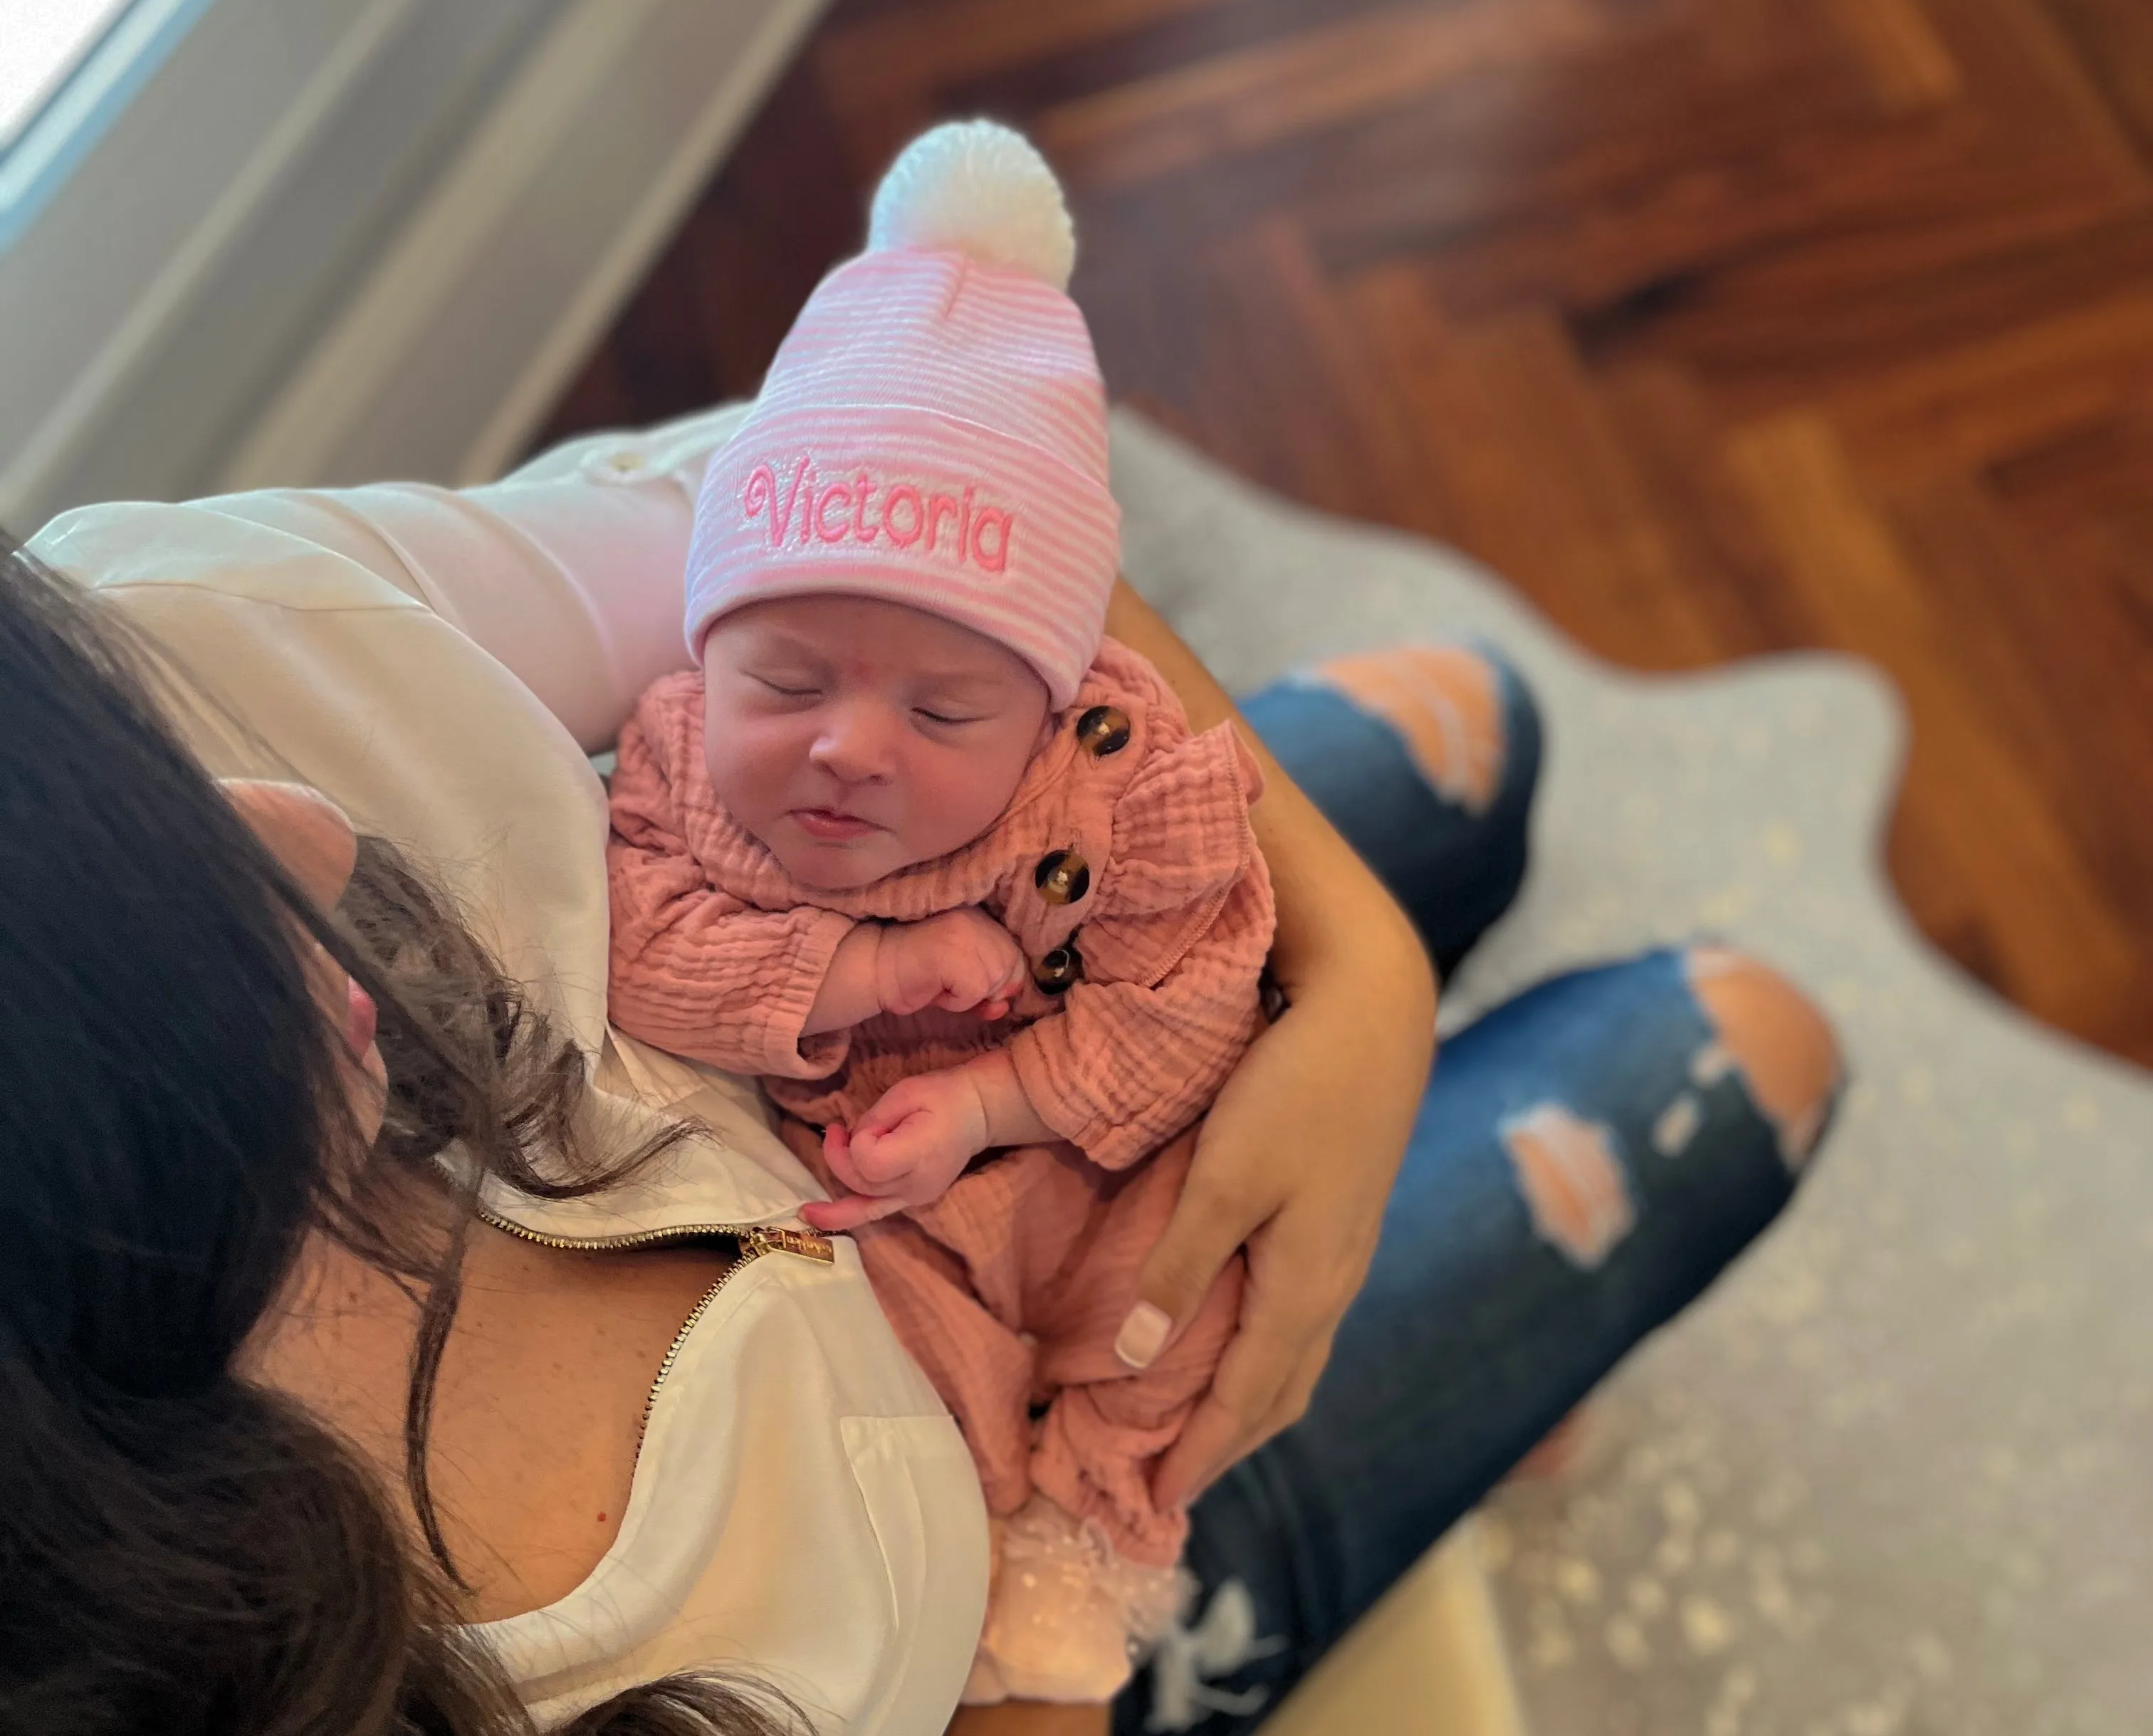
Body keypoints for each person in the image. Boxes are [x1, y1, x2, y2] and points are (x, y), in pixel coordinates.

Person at [4, 392, 1839, 1732]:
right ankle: (1478, 1396)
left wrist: (1354, 991)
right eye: (164, 964)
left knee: (1455, 728)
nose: (309, 838)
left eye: (122, 796)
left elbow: (898, 480)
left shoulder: (186, 640)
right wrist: (1055, 1606)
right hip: (1041, 1569)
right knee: (1748, 1049)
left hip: (996, 1150)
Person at [604, 123, 1279, 1705]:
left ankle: (1098, 1511)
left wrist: (995, 1095)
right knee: (891, 1345)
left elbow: (1197, 989)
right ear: (713, 655)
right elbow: (647, 950)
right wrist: (872, 964)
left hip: (1076, 1143)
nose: (848, 746)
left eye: (945, 709)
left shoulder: (1112, 779)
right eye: (786, 678)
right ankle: (991, 1544)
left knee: (1185, 1286)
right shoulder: (681, 760)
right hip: (865, 1183)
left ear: (1047, 708)